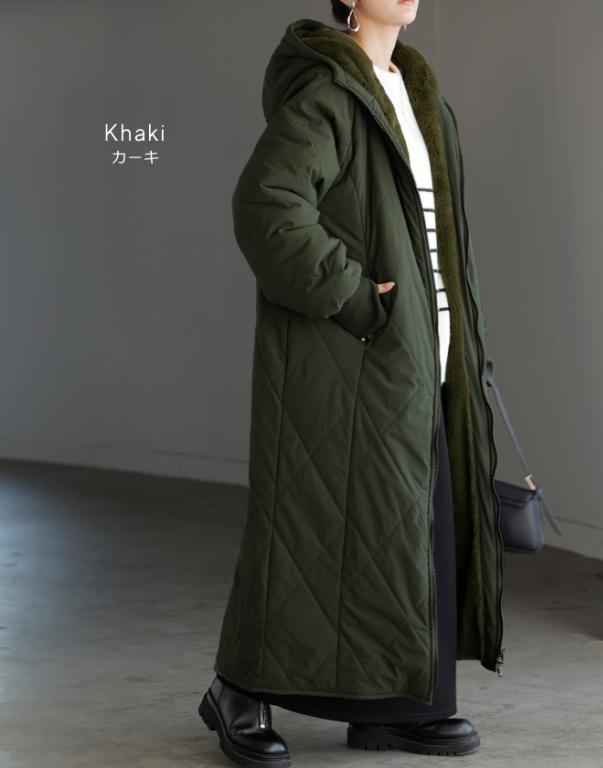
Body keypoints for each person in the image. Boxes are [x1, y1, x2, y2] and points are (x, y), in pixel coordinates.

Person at [198, 1, 505, 765]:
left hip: (424, 356)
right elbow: (267, 204)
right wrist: (354, 298)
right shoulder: (331, 92)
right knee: (310, 535)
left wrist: (458, 342)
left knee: (403, 539)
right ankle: (237, 689)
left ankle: (396, 708)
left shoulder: (418, 93)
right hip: (357, 357)